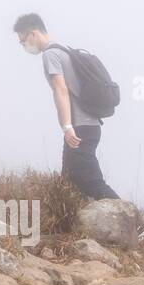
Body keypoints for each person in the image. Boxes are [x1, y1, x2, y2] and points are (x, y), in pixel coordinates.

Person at [13, 12, 119, 200]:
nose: (24, 46)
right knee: (68, 182)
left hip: (79, 129)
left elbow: (61, 91)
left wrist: (67, 127)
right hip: (89, 127)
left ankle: (140, 226)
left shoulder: (50, 55)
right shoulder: (64, 51)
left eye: (22, 41)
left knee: (93, 183)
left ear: (33, 33)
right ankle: (76, 226)